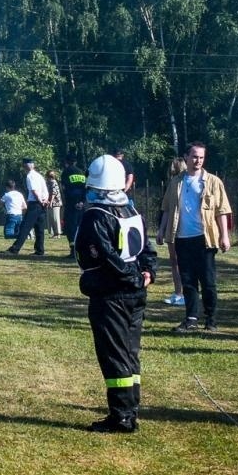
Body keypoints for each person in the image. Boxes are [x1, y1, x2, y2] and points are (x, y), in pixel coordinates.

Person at [74, 153, 156, 433]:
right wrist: (147, 273)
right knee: (130, 354)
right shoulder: (131, 211)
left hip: (112, 295)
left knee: (114, 355)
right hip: (135, 294)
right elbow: (147, 249)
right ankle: (129, 410)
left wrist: (133, 277)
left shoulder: (96, 216)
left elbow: (106, 257)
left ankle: (121, 416)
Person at [158, 141, 232, 333]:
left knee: (208, 281)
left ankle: (211, 319)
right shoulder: (176, 182)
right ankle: (191, 318)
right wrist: (161, 230)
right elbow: (167, 208)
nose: (198, 160)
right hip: (182, 238)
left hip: (205, 238)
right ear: (186, 157)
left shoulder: (214, 182)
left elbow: (222, 210)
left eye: (201, 157)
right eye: (194, 156)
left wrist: (225, 235)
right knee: (188, 281)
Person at [155, 157, 186, 307]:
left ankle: (188, 293)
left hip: (187, 229)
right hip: (172, 229)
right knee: (174, 262)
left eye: (174, 167)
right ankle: (178, 292)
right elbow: (165, 209)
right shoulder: (171, 184)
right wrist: (161, 230)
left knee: (184, 261)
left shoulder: (188, 182)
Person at [6, 158, 50, 256]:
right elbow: (45, 190)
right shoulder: (39, 176)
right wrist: (45, 201)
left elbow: (34, 191)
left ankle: (15, 249)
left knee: (25, 227)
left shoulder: (30, 176)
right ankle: (40, 250)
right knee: (39, 228)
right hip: (42, 204)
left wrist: (39, 200)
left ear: (25, 166)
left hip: (35, 203)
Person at [61, 155, 88, 258]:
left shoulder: (66, 172)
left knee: (70, 227)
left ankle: (73, 251)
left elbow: (65, 189)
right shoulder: (81, 172)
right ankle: (81, 250)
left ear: (67, 162)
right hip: (81, 205)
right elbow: (85, 188)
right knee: (80, 227)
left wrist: (71, 202)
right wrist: (82, 202)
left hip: (71, 205)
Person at [46, 170, 63, 237]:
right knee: (52, 218)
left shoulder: (53, 182)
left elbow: (53, 193)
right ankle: (55, 233)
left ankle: (58, 233)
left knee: (56, 218)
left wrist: (50, 202)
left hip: (55, 203)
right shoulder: (50, 182)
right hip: (52, 202)